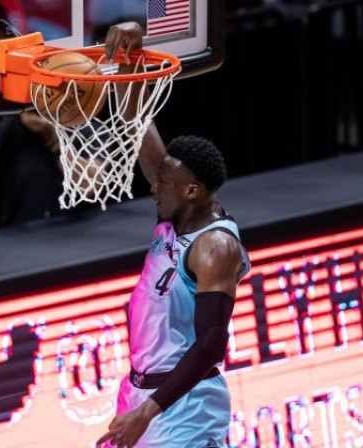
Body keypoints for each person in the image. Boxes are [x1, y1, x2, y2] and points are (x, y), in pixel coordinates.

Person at [95, 22, 251, 448]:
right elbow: (136, 121)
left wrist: (146, 414)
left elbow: (211, 346)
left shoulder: (215, 246)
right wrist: (130, 52)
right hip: (144, 391)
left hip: (185, 407)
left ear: (192, 191)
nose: (152, 186)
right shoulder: (177, 206)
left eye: (161, 183)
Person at [0, 110, 64, 225]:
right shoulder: (9, 124)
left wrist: (53, 139)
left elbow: (85, 185)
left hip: (72, 223)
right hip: (21, 229)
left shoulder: (74, 119)